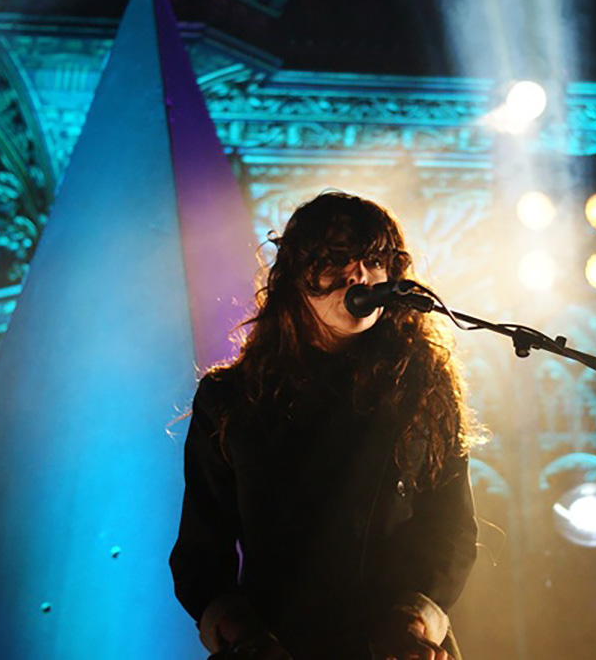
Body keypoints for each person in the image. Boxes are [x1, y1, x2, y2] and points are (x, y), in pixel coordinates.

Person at [170, 192, 482, 659]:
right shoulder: (231, 399)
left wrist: (414, 621)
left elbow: (452, 529)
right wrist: (243, 634)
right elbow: (201, 551)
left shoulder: (423, 388)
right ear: (296, 276)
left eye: (375, 260)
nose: (358, 274)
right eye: (335, 259)